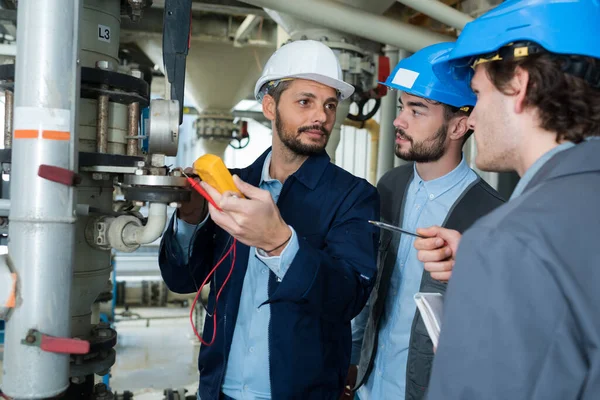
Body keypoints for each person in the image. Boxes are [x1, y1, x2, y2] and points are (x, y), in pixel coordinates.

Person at [158, 39, 380, 400]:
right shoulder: (230, 185)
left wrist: (280, 243)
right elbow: (182, 280)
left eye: (329, 105)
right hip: (218, 391)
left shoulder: (354, 197)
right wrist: (189, 220)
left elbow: (348, 299)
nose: (321, 117)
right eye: (305, 102)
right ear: (269, 105)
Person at [412, 1, 600, 399]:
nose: (473, 118)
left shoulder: (508, 242)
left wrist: (497, 268)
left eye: (477, 94)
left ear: (520, 84)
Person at [347, 42, 504, 400]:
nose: (399, 121)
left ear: (458, 126)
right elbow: (373, 288)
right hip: (368, 386)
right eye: (402, 107)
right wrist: (352, 360)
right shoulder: (390, 186)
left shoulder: (491, 214)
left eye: (417, 110)